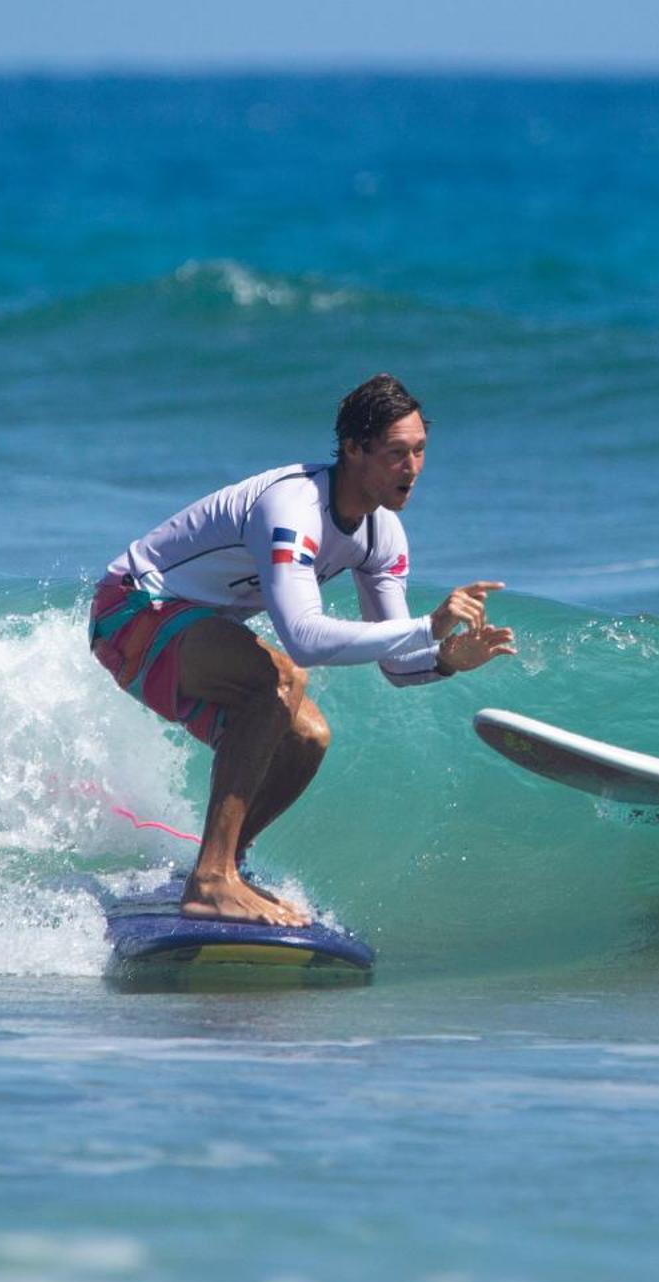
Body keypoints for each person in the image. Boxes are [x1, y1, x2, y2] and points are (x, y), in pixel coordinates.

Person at [90, 374, 514, 925]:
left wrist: (445, 659)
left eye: (420, 451)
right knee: (283, 681)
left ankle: (225, 871)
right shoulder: (292, 507)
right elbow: (304, 639)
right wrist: (430, 627)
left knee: (307, 736)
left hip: (197, 626)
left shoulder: (381, 535)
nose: (411, 469)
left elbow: (398, 665)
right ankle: (211, 879)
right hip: (132, 610)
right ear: (355, 450)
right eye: (395, 454)